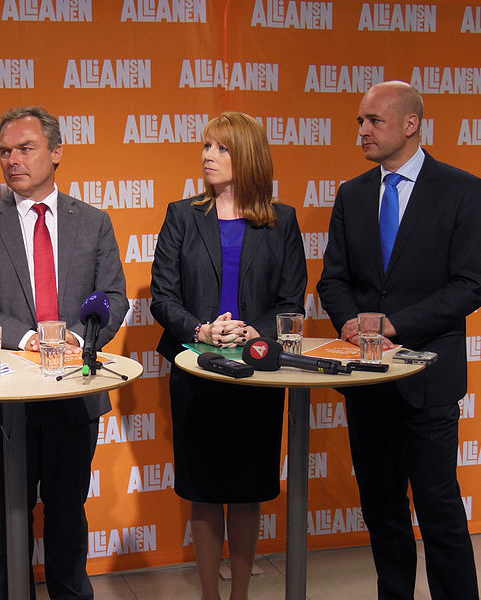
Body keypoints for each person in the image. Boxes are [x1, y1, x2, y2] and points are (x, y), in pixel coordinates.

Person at [317, 81, 481, 600]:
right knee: (382, 510)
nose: (362, 132)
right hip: (368, 381)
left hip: (429, 380)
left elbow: (471, 284)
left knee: (438, 509)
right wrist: (351, 322)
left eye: (373, 121)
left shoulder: (463, 189)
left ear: (411, 124)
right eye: (359, 122)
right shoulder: (352, 193)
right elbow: (334, 280)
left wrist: (392, 324)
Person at [0, 106, 128, 600]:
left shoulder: (92, 222)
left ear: (56, 153)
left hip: (74, 394)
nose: (12, 160)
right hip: (6, 400)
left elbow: (114, 297)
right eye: (4, 151)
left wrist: (75, 337)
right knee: (9, 521)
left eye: (25, 149)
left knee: (69, 519)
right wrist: (28, 340)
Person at [150, 111, 307, 600]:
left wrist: (250, 332)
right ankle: (210, 595)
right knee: (202, 489)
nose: (207, 156)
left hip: (256, 373)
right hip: (196, 370)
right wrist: (202, 329)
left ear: (248, 156)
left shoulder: (282, 221)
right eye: (205, 147)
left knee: (246, 489)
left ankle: (240, 593)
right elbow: (162, 296)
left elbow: (291, 301)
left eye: (219, 148)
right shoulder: (182, 214)